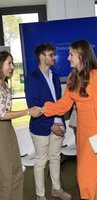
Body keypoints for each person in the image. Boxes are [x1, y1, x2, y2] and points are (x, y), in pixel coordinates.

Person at [42, 40, 97, 200]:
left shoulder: (95, 76)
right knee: (85, 177)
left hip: (95, 135)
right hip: (83, 136)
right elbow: (64, 105)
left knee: (86, 177)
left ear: (81, 56)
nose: (67, 58)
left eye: (71, 54)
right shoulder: (73, 77)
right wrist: (45, 109)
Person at [0, 51, 40, 200]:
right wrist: (28, 111)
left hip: (8, 130)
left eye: (12, 63)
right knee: (4, 178)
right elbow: (1, 114)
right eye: (9, 63)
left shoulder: (4, 85)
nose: (12, 67)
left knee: (16, 173)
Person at [25, 43, 72, 200]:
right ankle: (40, 195)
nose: (53, 57)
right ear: (41, 57)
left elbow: (58, 103)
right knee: (40, 161)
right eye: (50, 54)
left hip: (58, 124)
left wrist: (58, 122)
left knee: (55, 158)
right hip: (41, 127)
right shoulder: (31, 79)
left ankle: (56, 189)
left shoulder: (56, 77)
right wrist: (51, 124)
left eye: (53, 54)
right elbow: (33, 106)